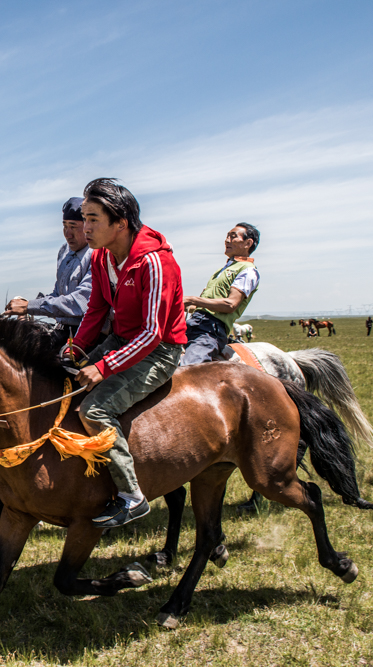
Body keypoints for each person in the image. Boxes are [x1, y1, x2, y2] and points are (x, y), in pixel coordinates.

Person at [72, 178, 187, 528]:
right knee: (64, 381)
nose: (84, 227)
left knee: (95, 409)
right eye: (83, 217)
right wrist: (75, 349)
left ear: (120, 223)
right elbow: (95, 310)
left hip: (160, 350)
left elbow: (153, 333)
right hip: (124, 341)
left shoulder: (154, 263)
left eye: (93, 219)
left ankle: (131, 496)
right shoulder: (102, 257)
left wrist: (103, 367)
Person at [4, 197, 94, 339]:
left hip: (88, 335)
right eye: (64, 226)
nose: (67, 233)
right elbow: (58, 294)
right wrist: (30, 306)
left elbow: (79, 303)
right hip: (63, 331)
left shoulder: (97, 253)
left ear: (87, 227)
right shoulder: (64, 251)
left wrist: (30, 306)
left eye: (73, 227)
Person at [180, 223, 261, 366]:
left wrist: (193, 299)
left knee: (188, 368)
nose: (227, 240)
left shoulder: (248, 270)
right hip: (193, 324)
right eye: (227, 236)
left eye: (233, 236)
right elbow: (202, 305)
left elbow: (231, 304)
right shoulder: (222, 270)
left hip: (210, 330)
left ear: (248, 243)